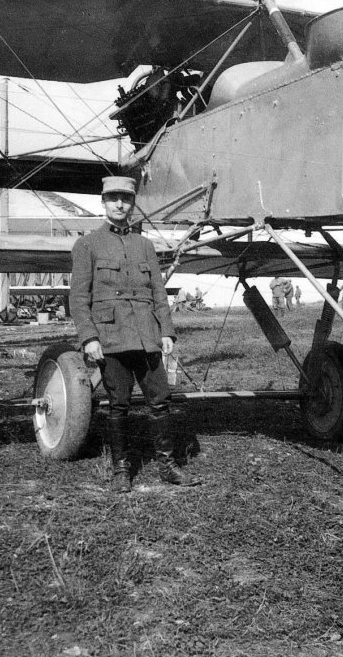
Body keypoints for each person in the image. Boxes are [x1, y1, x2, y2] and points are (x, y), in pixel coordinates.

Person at [70, 176, 199, 492]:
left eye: (125, 199)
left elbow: (158, 291)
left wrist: (166, 331)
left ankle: (168, 467)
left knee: (161, 400)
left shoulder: (145, 246)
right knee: (119, 404)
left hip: (146, 336)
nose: (119, 204)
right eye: (113, 198)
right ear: (103, 202)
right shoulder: (87, 244)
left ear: (132, 204)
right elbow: (78, 297)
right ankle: (121, 470)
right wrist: (89, 337)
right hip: (110, 338)